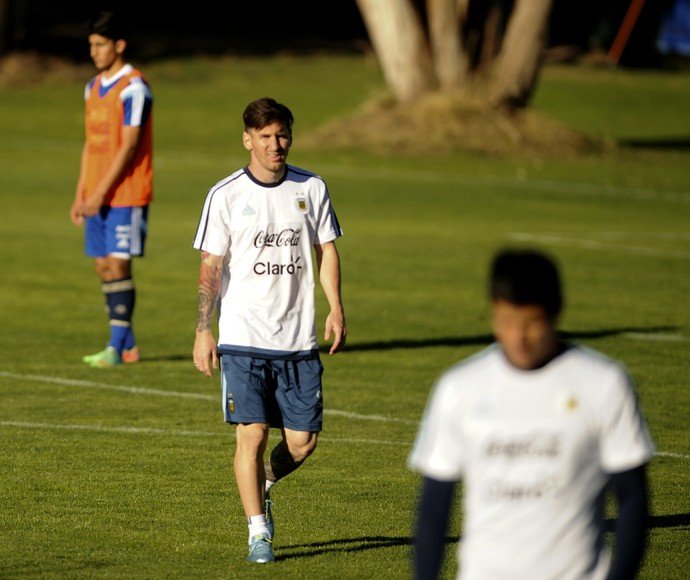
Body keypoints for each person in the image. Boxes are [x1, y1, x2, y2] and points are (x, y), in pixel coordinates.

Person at [407, 248, 655, 580]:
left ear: (557, 312)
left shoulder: (604, 384)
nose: (518, 337)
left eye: (532, 323)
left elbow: (633, 499)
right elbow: (434, 506)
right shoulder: (459, 387)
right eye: (507, 322)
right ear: (493, 311)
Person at [191, 97, 346, 564]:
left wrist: (336, 307)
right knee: (252, 435)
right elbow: (211, 266)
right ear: (248, 140)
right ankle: (258, 531)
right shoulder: (226, 195)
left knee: (302, 442)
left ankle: (265, 484)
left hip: (298, 341)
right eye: (265, 137)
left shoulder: (312, 187)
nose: (275, 145)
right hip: (242, 337)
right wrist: (203, 328)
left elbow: (327, 251)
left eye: (281, 136)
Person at [70, 11, 154, 368]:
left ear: (119, 45)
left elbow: (129, 146)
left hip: (127, 194)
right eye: (91, 45)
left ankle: (116, 349)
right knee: (103, 267)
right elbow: (91, 144)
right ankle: (128, 344)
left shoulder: (135, 88)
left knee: (119, 265)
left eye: (100, 44)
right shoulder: (92, 88)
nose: (94, 52)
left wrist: (101, 192)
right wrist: (81, 193)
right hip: (96, 195)